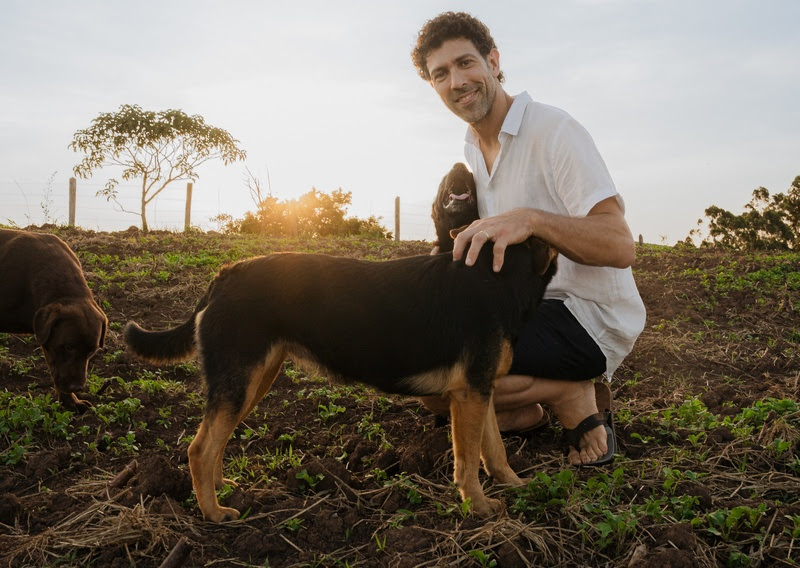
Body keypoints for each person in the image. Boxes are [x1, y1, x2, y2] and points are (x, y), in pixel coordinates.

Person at [411, 12, 646, 466]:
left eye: (466, 63)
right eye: (441, 73)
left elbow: (620, 245)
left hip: (587, 315)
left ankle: (574, 392)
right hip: (527, 310)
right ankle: (529, 411)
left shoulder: (554, 131)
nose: (457, 81)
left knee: (455, 372)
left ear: (494, 61)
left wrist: (532, 220)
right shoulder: (472, 148)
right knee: (427, 380)